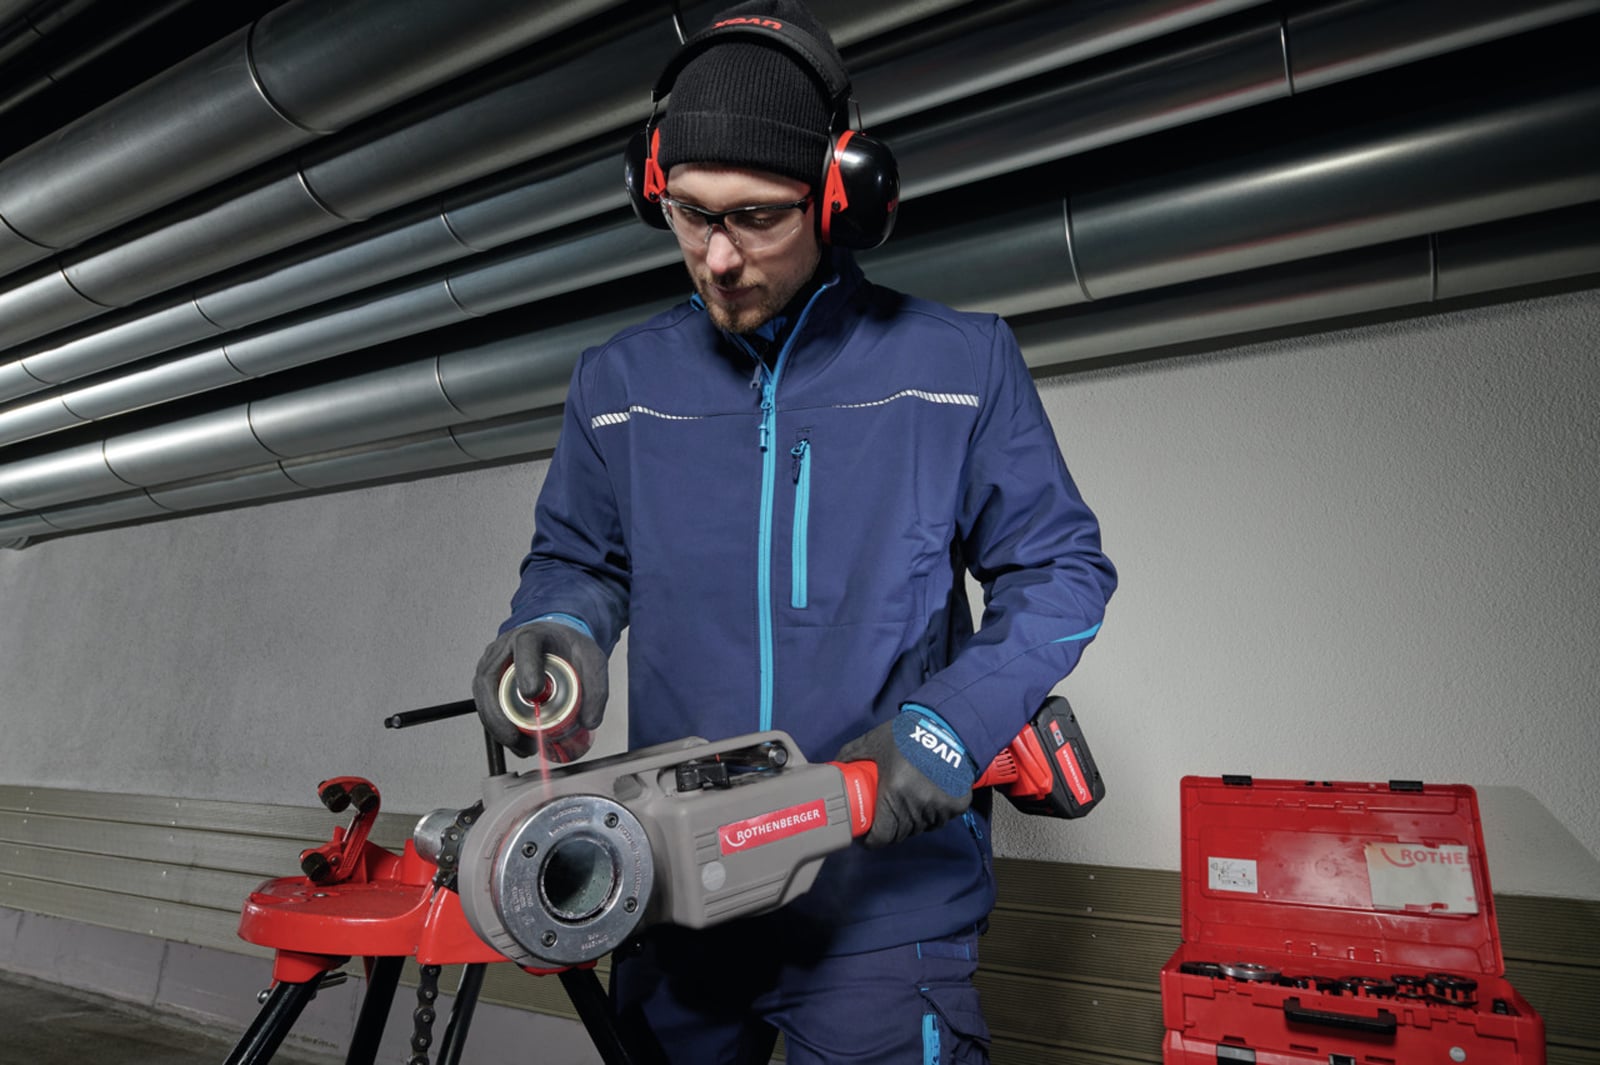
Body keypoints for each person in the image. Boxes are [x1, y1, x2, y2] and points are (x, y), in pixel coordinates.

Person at [471, 2, 1116, 1060]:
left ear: (839, 196)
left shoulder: (958, 366)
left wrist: (948, 726)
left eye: (757, 218)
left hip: (883, 909)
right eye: (690, 215)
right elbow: (579, 560)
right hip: (673, 893)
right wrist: (560, 627)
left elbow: (1061, 573)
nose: (718, 258)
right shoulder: (617, 385)